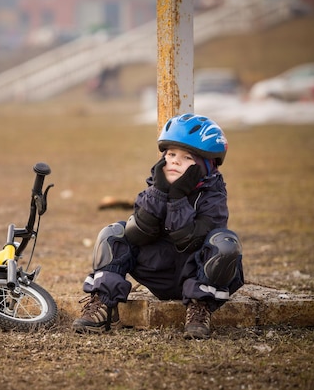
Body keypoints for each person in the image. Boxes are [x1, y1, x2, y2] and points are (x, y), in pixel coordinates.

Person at [72, 113, 244, 339]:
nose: (174, 161)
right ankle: (103, 303)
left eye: (186, 158)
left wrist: (178, 198)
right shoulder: (156, 186)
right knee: (114, 234)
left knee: (224, 244)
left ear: (205, 165)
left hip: (193, 272)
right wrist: (160, 192)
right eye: (171, 154)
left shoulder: (213, 196)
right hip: (158, 270)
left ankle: (199, 309)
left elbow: (187, 239)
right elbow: (139, 232)